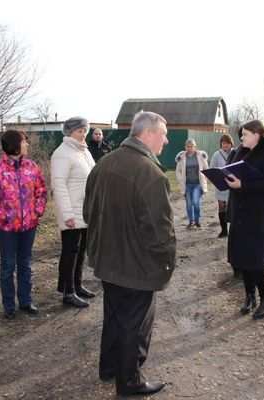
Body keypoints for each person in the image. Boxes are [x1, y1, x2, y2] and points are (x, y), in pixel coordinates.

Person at [83, 111, 175, 397]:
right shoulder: (151, 174)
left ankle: (109, 368)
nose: (166, 140)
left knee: (115, 317)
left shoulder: (103, 164)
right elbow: (160, 232)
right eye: (163, 134)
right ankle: (130, 382)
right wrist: (166, 265)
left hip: (108, 260)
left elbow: (88, 212)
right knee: (135, 325)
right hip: (137, 267)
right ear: (146, 134)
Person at [0, 130, 47, 319]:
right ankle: (9, 305)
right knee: (8, 265)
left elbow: (41, 191)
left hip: (29, 226)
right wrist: (2, 216)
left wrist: (37, 211)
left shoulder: (32, 167)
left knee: (25, 264)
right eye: (24, 141)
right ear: (15, 145)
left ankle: (26, 301)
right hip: (6, 228)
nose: (27, 144)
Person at [226, 120, 264, 320]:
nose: (242, 138)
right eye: (242, 135)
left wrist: (243, 185)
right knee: (242, 258)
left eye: (246, 134)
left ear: (258, 135)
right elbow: (233, 174)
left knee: (256, 259)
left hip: (259, 215)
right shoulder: (240, 152)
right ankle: (250, 297)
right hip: (241, 213)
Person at [51, 117, 96, 308]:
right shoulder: (62, 153)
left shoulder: (83, 151)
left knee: (81, 251)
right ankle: (68, 293)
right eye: (79, 131)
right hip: (71, 212)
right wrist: (67, 214)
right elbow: (58, 185)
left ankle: (77, 285)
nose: (83, 134)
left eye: (85, 130)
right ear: (69, 132)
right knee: (70, 252)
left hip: (84, 210)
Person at [175, 139, 208, 228]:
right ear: (185, 147)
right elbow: (178, 171)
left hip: (197, 184)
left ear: (195, 147)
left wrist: (205, 179)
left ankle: (197, 220)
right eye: (188, 146)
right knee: (189, 204)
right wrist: (180, 180)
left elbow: (206, 168)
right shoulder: (181, 157)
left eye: (191, 146)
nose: (190, 148)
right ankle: (191, 221)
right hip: (187, 185)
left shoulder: (200, 156)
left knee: (195, 202)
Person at [210, 134, 235, 238]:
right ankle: (224, 231)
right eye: (223, 143)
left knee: (233, 208)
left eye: (227, 143)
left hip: (233, 185)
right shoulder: (216, 154)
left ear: (230, 144)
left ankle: (233, 231)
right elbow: (212, 168)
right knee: (222, 208)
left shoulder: (235, 153)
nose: (225, 145)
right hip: (221, 185)